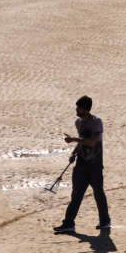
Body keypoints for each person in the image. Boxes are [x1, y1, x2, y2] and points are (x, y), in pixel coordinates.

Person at [53, 96, 110, 235]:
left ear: (86, 109)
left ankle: (105, 221)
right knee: (76, 195)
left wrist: (73, 139)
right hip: (81, 164)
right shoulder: (78, 122)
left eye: (78, 108)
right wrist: (74, 153)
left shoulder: (96, 122)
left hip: (95, 165)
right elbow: (82, 142)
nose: (76, 110)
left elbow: (92, 142)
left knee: (98, 193)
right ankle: (68, 223)